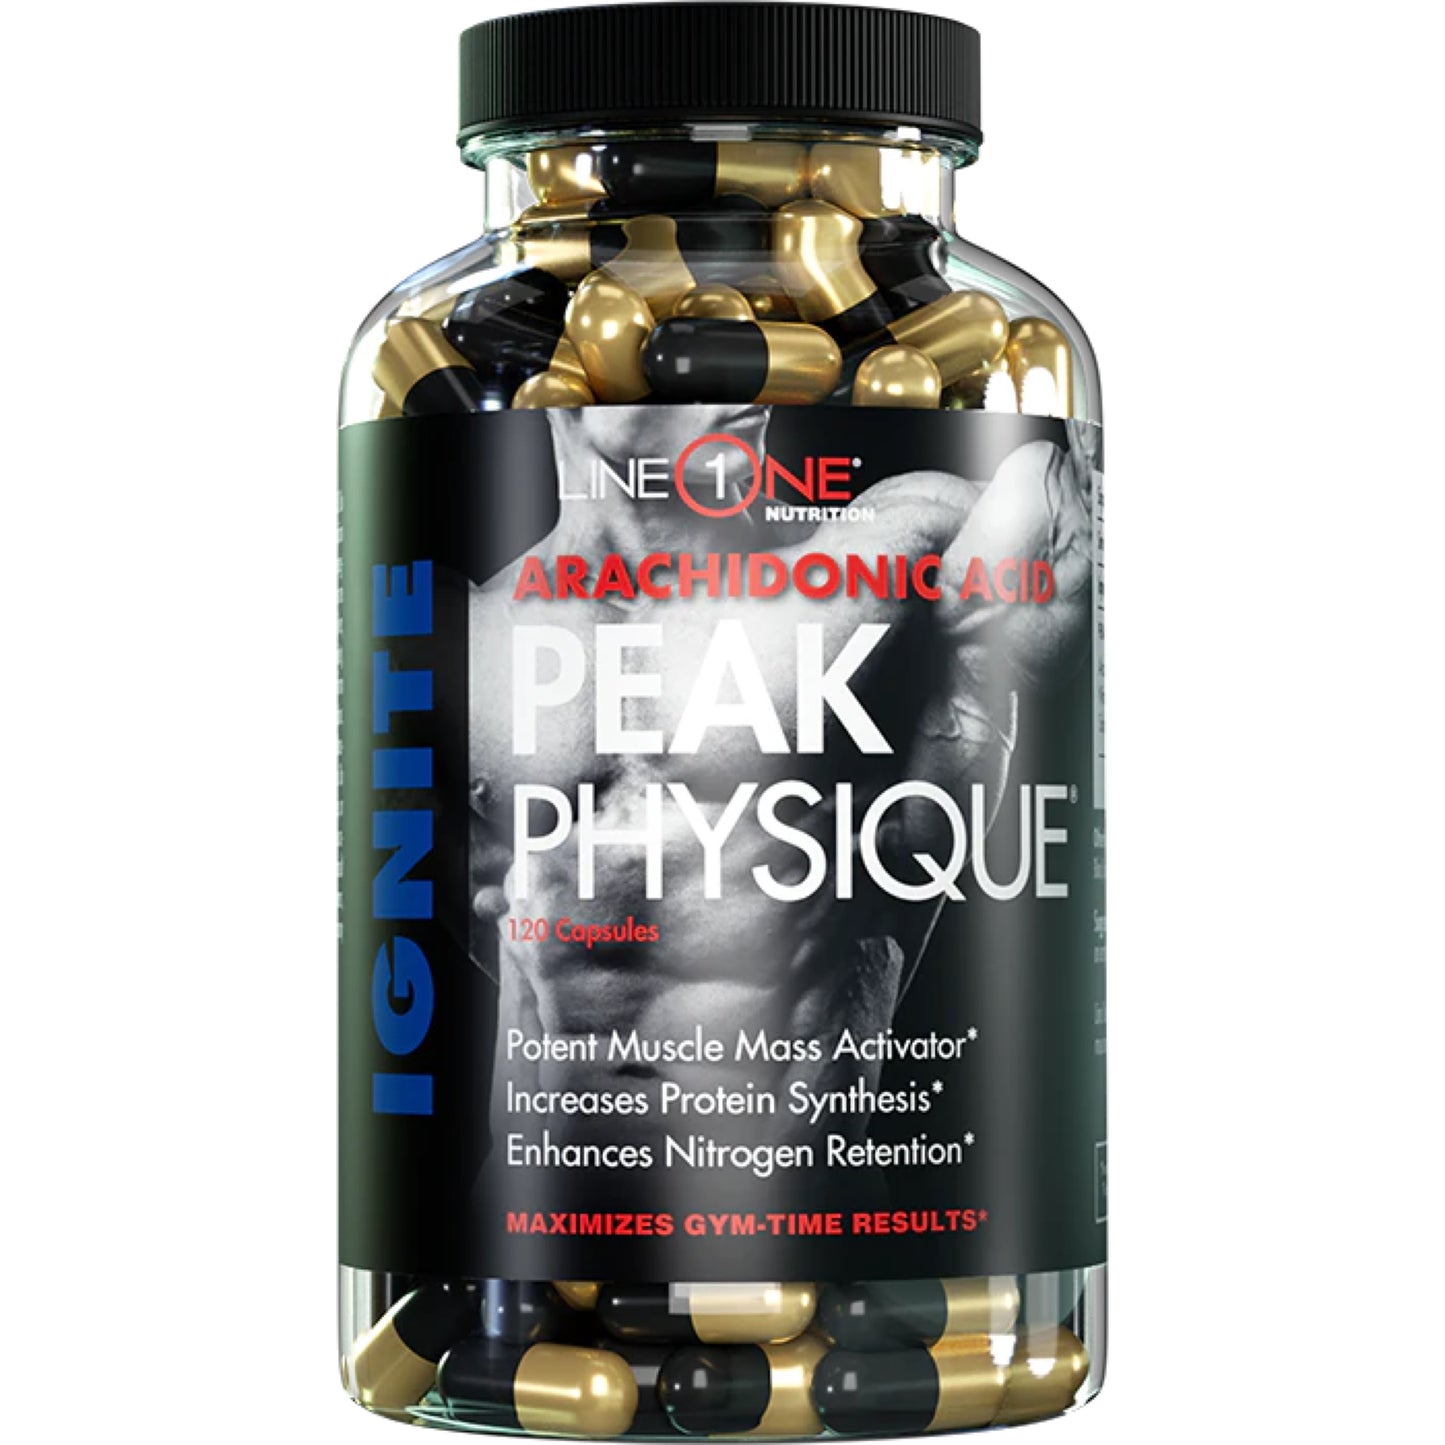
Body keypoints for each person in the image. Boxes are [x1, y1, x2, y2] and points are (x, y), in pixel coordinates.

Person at [467, 401, 1094, 1154]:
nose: (746, 385)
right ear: (564, 388)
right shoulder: (470, 640)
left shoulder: (891, 563)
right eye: (679, 362)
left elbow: (1056, 535)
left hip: (802, 1186)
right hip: (541, 1192)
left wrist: (1069, 475)